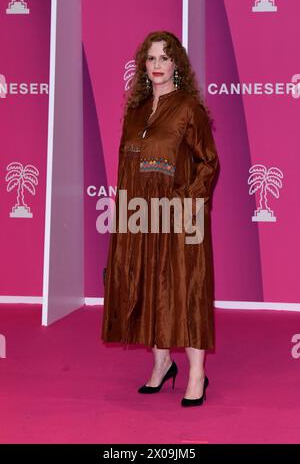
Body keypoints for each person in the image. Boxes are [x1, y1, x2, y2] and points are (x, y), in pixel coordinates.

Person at [101, 31, 219, 407]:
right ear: (143, 65)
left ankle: (197, 374)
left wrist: (188, 201)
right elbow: (125, 167)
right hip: (141, 215)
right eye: (150, 59)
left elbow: (209, 162)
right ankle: (162, 363)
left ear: (176, 65)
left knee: (188, 290)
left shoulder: (187, 108)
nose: (156, 66)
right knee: (150, 285)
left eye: (164, 58)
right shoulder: (135, 111)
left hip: (181, 214)